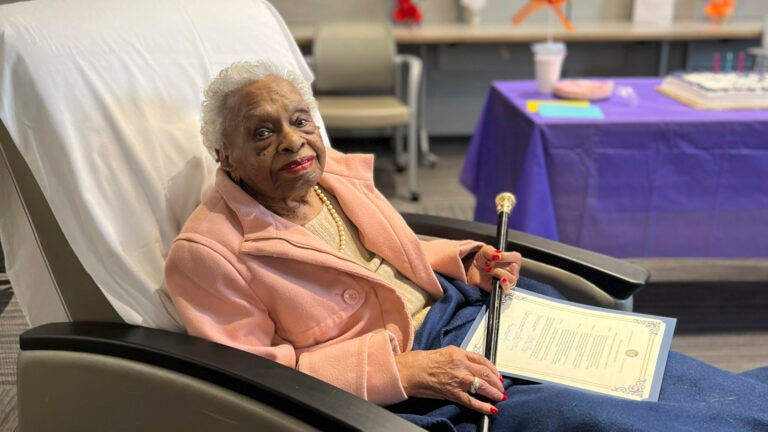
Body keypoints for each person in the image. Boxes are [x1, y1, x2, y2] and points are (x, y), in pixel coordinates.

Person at [165, 60, 768, 431]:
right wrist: (401, 370)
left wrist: (464, 260)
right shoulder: (208, 253)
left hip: (463, 310)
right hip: (406, 383)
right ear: (226, 156)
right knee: (590, 415)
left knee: (639, 364)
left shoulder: (335, 181)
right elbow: (251, 376)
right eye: (262, 133)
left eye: (301, 121)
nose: (294, 142)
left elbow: (387, 256)